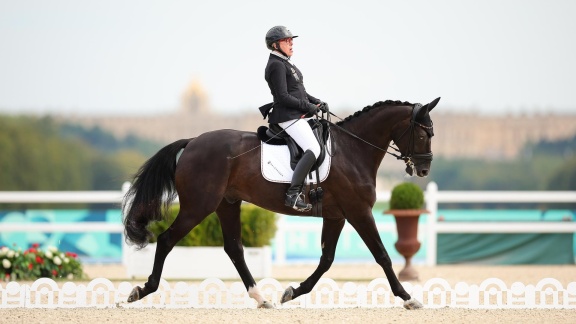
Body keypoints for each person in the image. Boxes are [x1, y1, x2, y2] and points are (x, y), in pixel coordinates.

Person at [263, 25, 328, 212]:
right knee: (313, 148)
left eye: (292, 40)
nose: (291, 43)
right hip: (287, 116)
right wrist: (307, 107)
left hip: (296, 114)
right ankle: (293, 194)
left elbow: (301, 92)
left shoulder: (286, 63)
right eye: (287, 40)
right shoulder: (276, 64)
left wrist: (317, 102)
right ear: (275, 45)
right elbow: (283, 96)